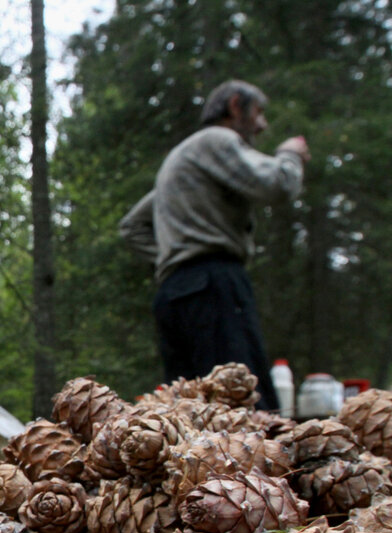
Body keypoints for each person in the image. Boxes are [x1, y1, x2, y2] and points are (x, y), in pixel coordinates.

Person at [119, 79, 310, 410]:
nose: (262, 125)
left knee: (189, 412)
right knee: (244, 405)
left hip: (174, 294)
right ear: (236, 105)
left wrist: (171, 254)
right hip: (214, 286)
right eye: (259, 113)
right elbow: (278, 184)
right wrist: (290, 154)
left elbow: (131, 227)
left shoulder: (181, 161)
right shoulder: (216, 141)